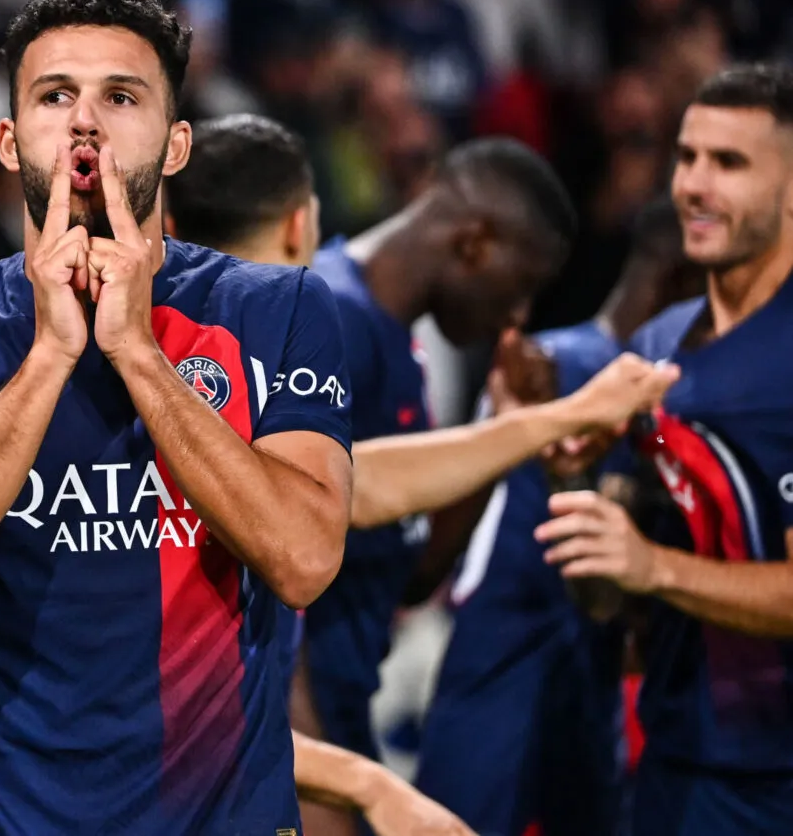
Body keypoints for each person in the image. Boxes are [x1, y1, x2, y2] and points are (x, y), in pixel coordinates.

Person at [0, 0, 355, 835]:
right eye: (55, 96)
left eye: (121, 96)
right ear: (10, 141)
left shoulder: (279, 310)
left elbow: (303, 557)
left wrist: (136, 351)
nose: (85, 121)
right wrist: (50, 355)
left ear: (178, 142)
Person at [164, 113, 677, 836]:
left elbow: (397, 541)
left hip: (322, 722)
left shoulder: (388, 341)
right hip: (277, 731)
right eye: (522, 286)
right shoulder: (322, 321)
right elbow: (294, 544)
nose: (520, 314)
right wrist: (328, 782)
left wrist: (509, 430)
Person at [538, 63, 793, 835]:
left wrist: (654, 566)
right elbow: (610, 596)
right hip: (678, 764)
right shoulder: (654, 347)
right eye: (687, 157)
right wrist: (577, 475)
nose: (694, 184)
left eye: (730, 162)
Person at [413, 199, 701, 836]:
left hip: (588, 665)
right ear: (686, 279)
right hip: (505, 650)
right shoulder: (546, 368)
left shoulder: (668, 386)